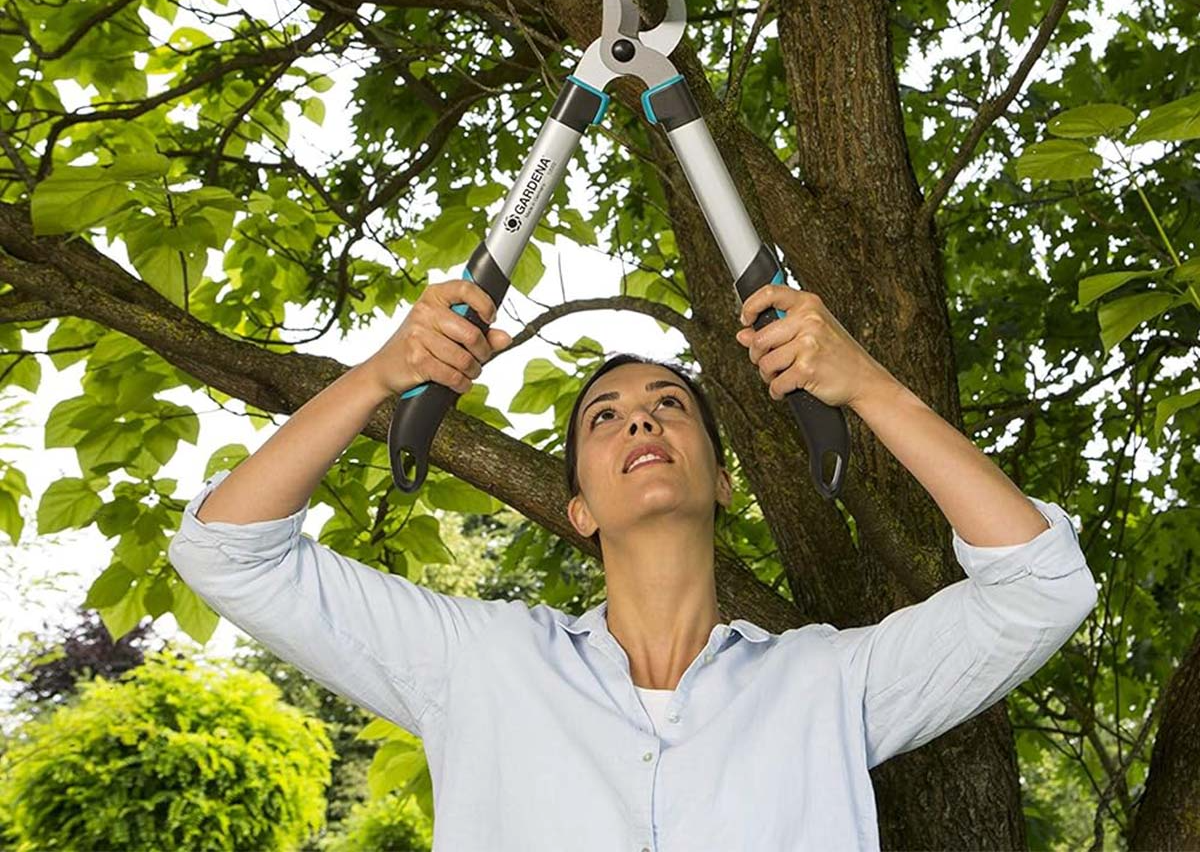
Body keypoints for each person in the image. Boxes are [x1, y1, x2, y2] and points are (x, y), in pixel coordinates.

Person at [169, 278, 1098, 851]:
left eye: (669, 405)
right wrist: (379, 378)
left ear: (723, 482)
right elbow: (227, 552)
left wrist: (866, 385)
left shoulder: (828, 683)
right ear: (578, 507)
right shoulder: (480, 664)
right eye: (603, 418)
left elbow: (1042, 586)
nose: (640, 418)